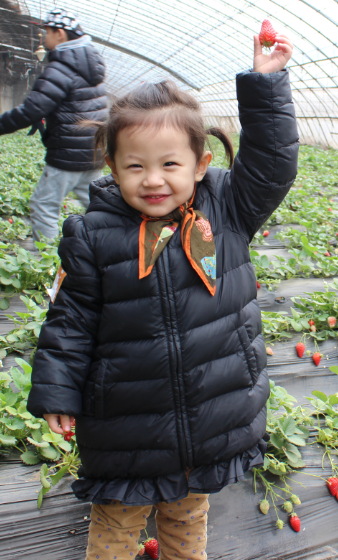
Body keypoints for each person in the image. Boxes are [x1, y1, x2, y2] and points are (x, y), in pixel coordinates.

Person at [26, 29, 297, 560]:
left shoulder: (226, 212)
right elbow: (70, 322)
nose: (153, 180)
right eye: (135, 166)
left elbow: (271, 166)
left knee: (186, 523)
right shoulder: (93, 235)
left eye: (170, 164)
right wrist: (57, 390)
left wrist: (265, 87)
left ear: (200, 165)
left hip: (210, 420)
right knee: (115, 530)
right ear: (112, 167)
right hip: (125, 427)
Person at [0, 8, 107, 241]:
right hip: (93, 152)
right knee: (99, 207)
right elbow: (73, 105)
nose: (43, 38)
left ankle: (48, 260)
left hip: (67, 154)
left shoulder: (61, 67)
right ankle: (108, 249)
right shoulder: (91, 65)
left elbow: (31, 109)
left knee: (44, 205)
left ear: (60, 33)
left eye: (46, 32)